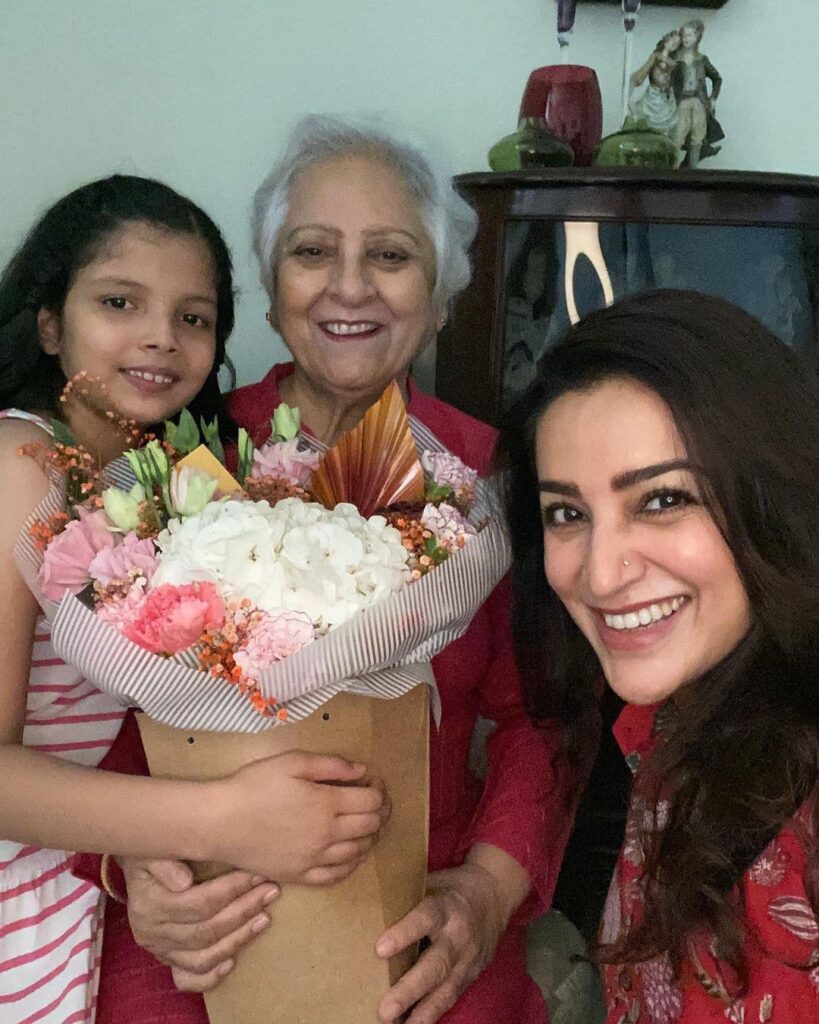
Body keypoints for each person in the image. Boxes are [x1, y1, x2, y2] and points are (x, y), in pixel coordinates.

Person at [86, 117, 581, 1024]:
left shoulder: (493, 474)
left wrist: (484, 888)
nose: (349, 285)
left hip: (420, 900)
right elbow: (102, 716)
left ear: (439, 298)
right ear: (271, 295)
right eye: (313, 251)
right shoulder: (179, 458)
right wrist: (136, 874)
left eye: (390, 255)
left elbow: (537, 717)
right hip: (203, 908)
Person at [0, 174, 389, 1024]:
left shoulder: (160, 483)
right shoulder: (15, 464)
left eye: (193, 317)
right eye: (118, 302)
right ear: (46, 324)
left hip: (82, 902)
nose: (160, 340)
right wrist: (218, 818)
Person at [499, 289, 819, 1021]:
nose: (601, 573)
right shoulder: (660, 725)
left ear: (768, 497)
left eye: (661, 500)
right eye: (567, 514)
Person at [671, 19, 724, 168]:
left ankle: (692, 171)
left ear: (697, 37)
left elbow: (717, 78)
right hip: (682, 101)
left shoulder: (702, 60)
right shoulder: (676, 59)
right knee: (678, 135)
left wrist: (713, 98)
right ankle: (672, 169)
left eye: (690, 35)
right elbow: (669, 81)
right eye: (684, 35)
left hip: (699, 101)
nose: (686, 39)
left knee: (697, 137)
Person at [628, 29, 681, 139]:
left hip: (666, 99)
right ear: (666, 41)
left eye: (677, 44)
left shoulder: (674, 62)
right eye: (673, 42)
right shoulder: (656, 57)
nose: (674, 46)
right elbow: (639, 76)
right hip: (653, 97)